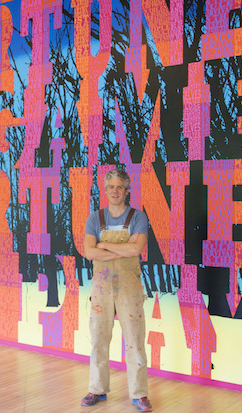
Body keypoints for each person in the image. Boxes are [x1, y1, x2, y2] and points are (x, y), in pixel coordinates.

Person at [80, 168, 152, 412]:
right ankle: (96, 389)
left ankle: (139, 394)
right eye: (111, 186)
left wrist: (103, 244)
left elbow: (135, 251)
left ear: (127, 189)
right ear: (105, 189)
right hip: (101, 287)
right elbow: (89, 252)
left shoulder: (138, 217)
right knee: (99, 338)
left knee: (134, 339)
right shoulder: (94, 218)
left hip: (129, 287)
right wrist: (120, 246)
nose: (115, 191)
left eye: (119, 187)